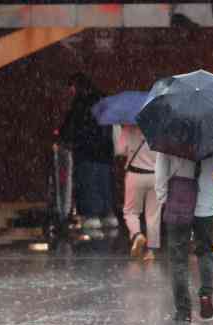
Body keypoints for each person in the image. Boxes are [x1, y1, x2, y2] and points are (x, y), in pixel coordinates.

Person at [156, 152, 213, 322]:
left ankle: (183, 310)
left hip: (178, 202)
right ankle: (205, 294)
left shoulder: (169, 134)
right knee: (205, 252)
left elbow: (161, 171)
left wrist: (163, 199)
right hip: (206, 205)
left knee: (178, 258)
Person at [57, 73, 118, 231]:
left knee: (88, 184)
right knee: (104, 184)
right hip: (105, 153)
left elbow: (69, 128)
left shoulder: (81, 104)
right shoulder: (104, 102)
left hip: (86, 152)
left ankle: (92, 216)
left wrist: (64, 137)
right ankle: (108, 214)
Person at [114, 124, 161, 261]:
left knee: (131, 211)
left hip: (135, 174)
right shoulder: (160, 127)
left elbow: (119, 151)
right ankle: (151, 251)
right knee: (153, 215)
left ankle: (137, 235)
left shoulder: (128, 128)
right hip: (156, 176)